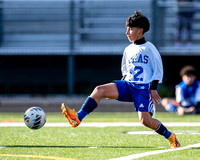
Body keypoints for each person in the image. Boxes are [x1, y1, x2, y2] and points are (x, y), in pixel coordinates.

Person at [61, 11, 180, 148]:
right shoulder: (128, 49)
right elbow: (125, 71)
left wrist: (153, 88)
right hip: (128, 84)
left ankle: (170, 136)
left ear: (140, 31)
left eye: (130, 29)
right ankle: (78, 117)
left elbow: (158, 69)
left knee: (145, 120)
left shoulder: (150, 48)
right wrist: (115, 90)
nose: (127, 32)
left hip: (143, 89)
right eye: (127, 29)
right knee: (99, 90)